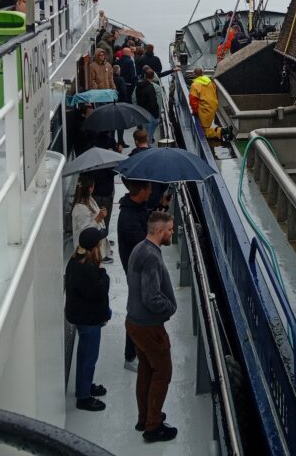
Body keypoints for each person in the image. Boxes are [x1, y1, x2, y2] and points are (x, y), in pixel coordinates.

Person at [126, 210, 178, 442]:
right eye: (169, 230)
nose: (172, 233)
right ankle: (153, 426)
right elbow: (151, 297)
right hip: (149, 327)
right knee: (163, 372)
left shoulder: (139, 249)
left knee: (146, 369)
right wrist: (170, 307)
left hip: (135, 323)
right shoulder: (151, 257)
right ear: (159, 232)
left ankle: (144, 417)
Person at [64, 227, 111, 413]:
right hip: (88, 319)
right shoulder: (87, 268)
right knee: (88, 356)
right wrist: (103, 273)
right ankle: (83, 397)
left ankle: (85, 385)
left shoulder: (76, 261)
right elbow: (100, 291)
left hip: (83, 316)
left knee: (85, 354)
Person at [116, 179, 152, 373]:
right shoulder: (128, 218)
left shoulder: (138, 208)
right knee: (136, 311)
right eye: (149, 189)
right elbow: (144, 243)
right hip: (135, 271)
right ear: (142, 191)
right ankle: (130, 356)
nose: (151, 192)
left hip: (140, 268)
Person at [127, 128, 170, 211]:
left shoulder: (131, 158)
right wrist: (159, 193)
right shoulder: (158, 157)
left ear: (136, 141)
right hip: (155, 198)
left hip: (138, 197)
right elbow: (165, 180)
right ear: (147, 139)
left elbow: (125, 177)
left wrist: (133, 190)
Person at [71, 179, 110, 261]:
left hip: (94, 249)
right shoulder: (80, 208)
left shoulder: (90, 200)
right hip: (87, 253)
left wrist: (101, 216)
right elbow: (85, 232)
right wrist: (98, 218)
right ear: (90, 188)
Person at [189, 67, 222, 139]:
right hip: (212, 106)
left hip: (204, 109)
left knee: (204, 131)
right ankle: (220, 131)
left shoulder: (195, 85)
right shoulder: (209, 81)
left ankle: (222, 131)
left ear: (194, 74)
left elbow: (193, 101)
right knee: (208, 125)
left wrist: (195, 112)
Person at [134, 67, 161, 143]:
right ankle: (148, 147)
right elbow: (153, 102)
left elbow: (135, 98)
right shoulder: (151, 87)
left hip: (142, 112)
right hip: (150, 114)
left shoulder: (138, 86)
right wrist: (156, 114)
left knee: (146, 133)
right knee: (149, 135)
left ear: (145, 76)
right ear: (153, 77)